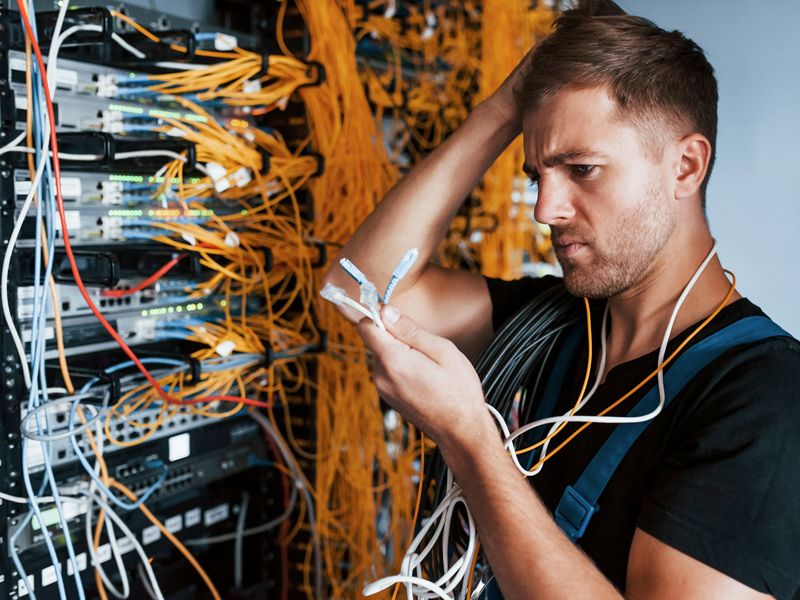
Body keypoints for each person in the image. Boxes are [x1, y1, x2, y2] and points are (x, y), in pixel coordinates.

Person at [322, 1, 800, 598]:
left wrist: (468, 438)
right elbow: (357, 287)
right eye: (537, 176)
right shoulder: (553, 323)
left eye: (582, 168)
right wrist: (501, 109)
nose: (546, 211)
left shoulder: (765, 401)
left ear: (685, 166)